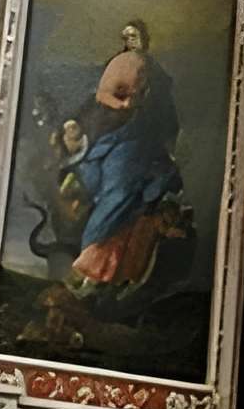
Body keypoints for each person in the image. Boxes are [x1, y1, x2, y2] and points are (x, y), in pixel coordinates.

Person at [69, 19, 185, 286]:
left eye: (135, 36)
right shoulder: (115, 64)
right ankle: (92, 261)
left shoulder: (156, 75)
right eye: (127, 37)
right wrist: (79, 120)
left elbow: (166, 113)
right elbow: (98, 99)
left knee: (122, 194)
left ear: (145, 39)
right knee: (96, 183)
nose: (131, 41)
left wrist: (167, 142)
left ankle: (97, 265)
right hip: (110, 135)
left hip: (139, 141)